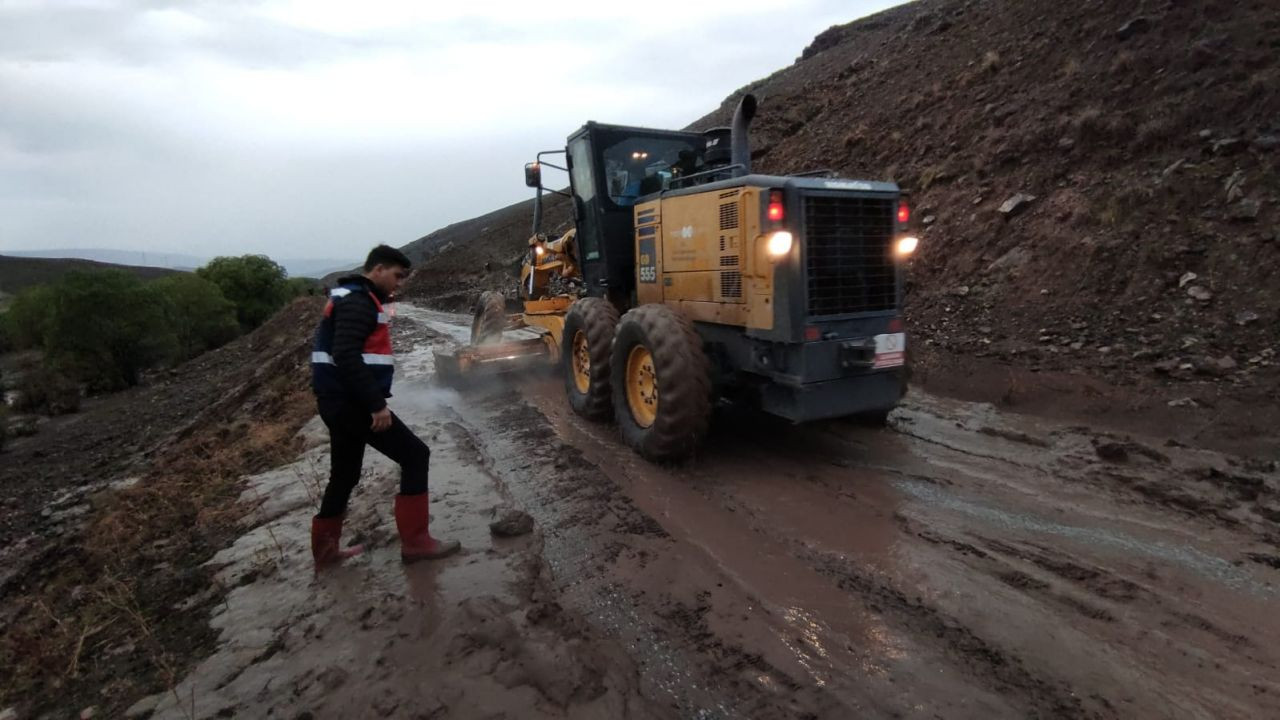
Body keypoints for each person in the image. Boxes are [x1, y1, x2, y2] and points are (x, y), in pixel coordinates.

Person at [309, 244, 460, 570]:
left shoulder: (349, 296)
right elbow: (346, 355)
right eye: (397, 275)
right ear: (377, 270)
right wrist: (376, 406)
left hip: (336, 401)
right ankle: (417, 544)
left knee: (344, 475)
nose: (400, 283)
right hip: (352, 403)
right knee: (416, 455)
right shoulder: (359, 302)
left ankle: (326, 554)